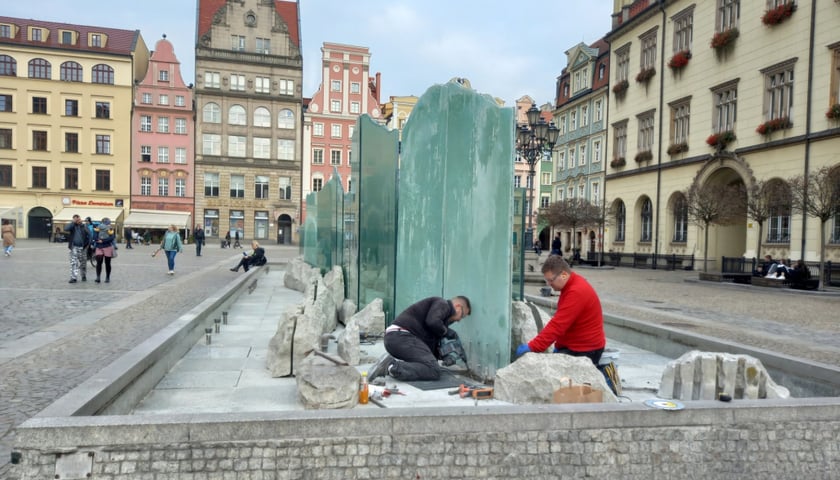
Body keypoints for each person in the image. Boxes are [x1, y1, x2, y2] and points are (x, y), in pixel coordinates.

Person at [515, 255, 605, 365]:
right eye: (546, 280)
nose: (548, 284)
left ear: (563, 275)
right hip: (577, 346)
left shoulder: (576, 292)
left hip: (585, 350)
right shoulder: (571, 284)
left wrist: (533, 346)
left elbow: (558, 325)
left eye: (551, 280)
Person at [368, 295, 472, 382]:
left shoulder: (441, 318)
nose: (459, 320)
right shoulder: (443, 304)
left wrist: (442, 355)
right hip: (401, 336)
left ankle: (391, 367)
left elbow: (427, 344)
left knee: (431, 367)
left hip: (397, 338)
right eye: (462, 316)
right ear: (458, 306)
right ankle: (390, 366)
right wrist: (447, 331)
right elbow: (432, 322)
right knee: (433, 370)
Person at [64, 214, 91, 283]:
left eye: (78, 219)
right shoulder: (72, 226)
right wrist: (73, 222)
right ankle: (73, 277)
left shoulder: (84, 226)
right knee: (74, 263)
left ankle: (83, 275)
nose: (78, 221)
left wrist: (88, 244)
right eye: (76, 219)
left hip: (83, 247)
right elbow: (66, 229)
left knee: (83, 262)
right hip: (74, 247)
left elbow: (90, 235)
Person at [92, 217, 116, 283]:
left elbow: (112, 237)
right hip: (99, 247)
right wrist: (97, 240)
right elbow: (94, 236)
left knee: (107, 263)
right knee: (99, 262)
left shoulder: (110, 228)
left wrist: (103, 241)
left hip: (107, 246)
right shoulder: (98, 228)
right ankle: (98, 277)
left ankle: (107, 277)